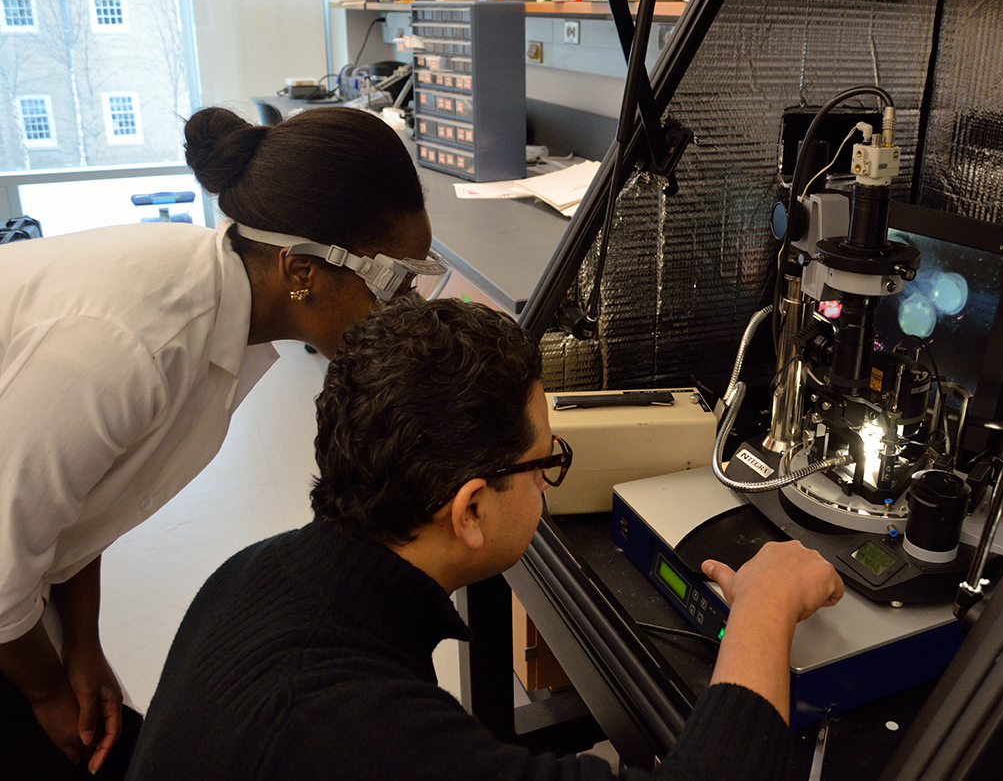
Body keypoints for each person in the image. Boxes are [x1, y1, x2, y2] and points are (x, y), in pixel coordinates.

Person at [125, 297, 845, 781]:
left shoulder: (256, 572)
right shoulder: (351, 731)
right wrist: (764, 607)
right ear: (469, 510)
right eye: (545, 464)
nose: (548, 481)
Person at [0, 105, 435, 778]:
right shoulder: (130, 349)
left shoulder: (215, 301)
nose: (406, 305)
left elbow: (81, 495)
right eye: (391, 281)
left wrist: (81, 643)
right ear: (301, 269)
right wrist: (48, 691)